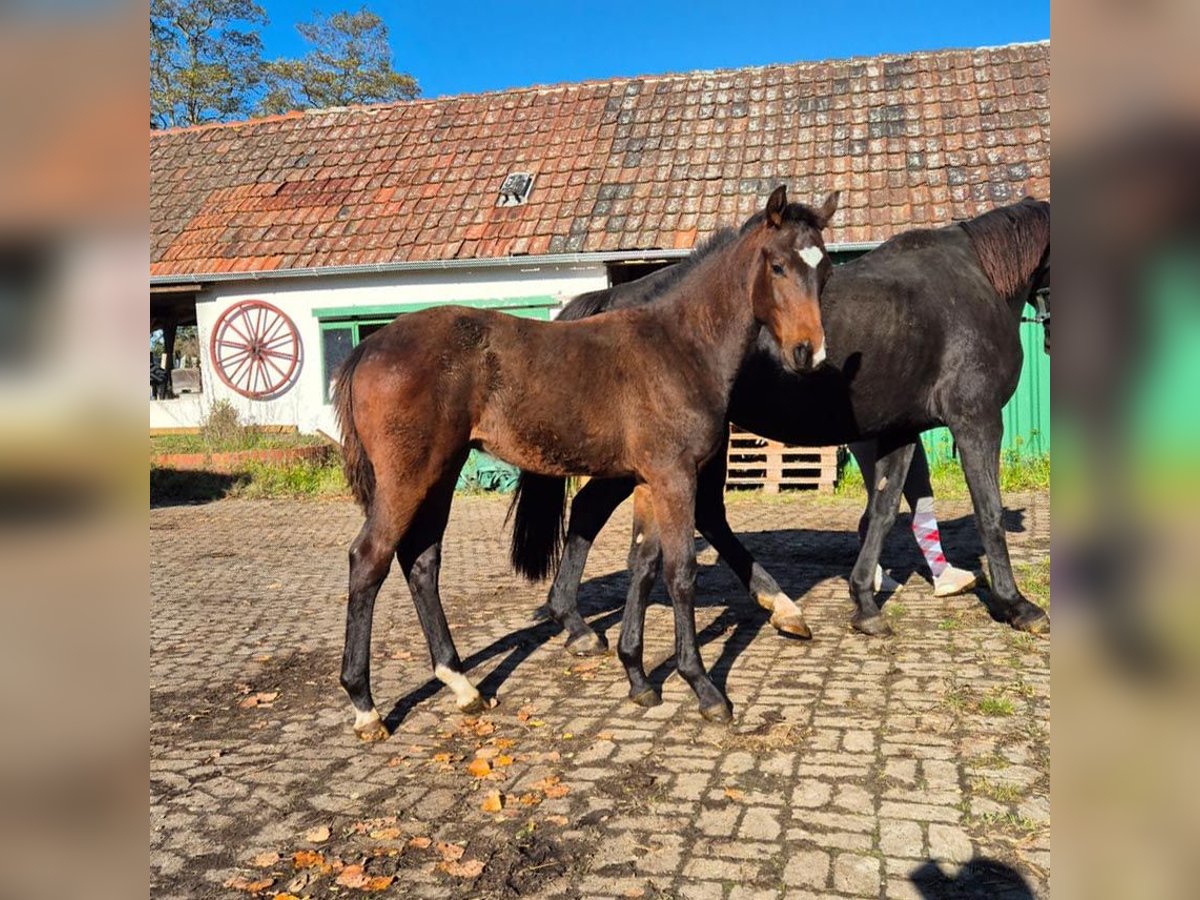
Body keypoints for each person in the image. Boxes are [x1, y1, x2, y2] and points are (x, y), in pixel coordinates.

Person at [848, 439, 978, 597]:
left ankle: (940, 571)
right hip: (870, 432)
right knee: (880, 500)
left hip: (906, 430)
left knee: (921, 497)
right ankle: (870, 569)